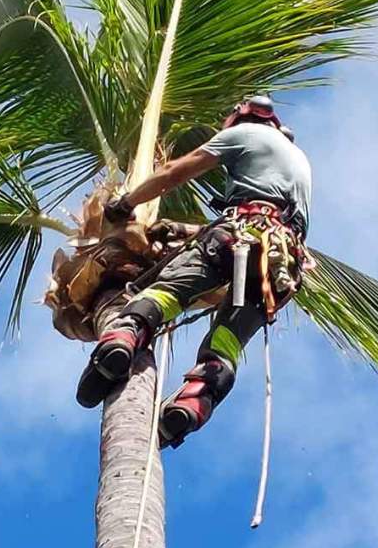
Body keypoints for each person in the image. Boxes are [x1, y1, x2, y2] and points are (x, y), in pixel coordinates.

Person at [76, 95, 313, 450]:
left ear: (242, 115)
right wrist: (179, 229)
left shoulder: (245, 133)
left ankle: (122, 340)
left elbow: (176, 172)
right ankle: (193, 403)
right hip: (280, 263)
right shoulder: (299, 160)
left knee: (167, 293)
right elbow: (265, 213)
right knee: (227, 341)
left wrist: (125, 204)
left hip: (236, 236)